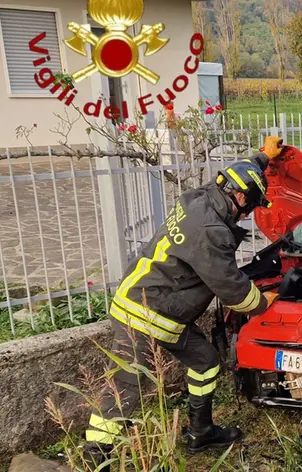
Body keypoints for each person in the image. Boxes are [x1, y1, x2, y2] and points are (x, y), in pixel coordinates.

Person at [83, 139, 284, 465]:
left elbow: (238, 177)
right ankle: (95, 459)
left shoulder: (203, 197)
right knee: (124, 390)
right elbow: (233, 291)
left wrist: (263, 156)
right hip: (143, 311)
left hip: (166, 311)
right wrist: (265, 303)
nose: (248, 215)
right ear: (239, 198)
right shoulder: (210, 230)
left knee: (205, 362)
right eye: (250, 208)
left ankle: (200, 433)